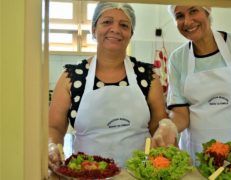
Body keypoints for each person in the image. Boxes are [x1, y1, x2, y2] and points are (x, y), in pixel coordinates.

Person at [48, 2, 168, 169]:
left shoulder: (148, 76)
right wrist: (51, 146)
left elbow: (158, 125)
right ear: (93, 29)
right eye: (107, 22)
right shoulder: (71, 77)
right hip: (87, 173)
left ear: (131, 33)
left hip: (139, 173)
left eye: (124, 25)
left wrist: (165, 130)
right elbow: (54, 128)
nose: (115, 29)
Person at [152, 5, 231, 164]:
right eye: (179, 16)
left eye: (193, 11)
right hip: (195, 157)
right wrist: (170, 125)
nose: (187, 21)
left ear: (207, 11)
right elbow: (181, 113)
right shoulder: (178, 58)